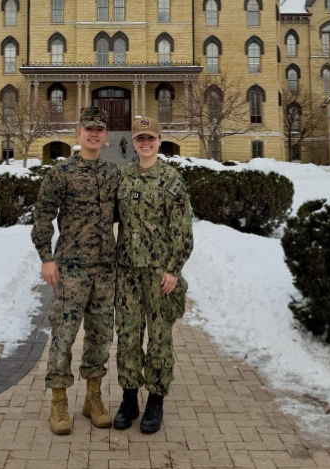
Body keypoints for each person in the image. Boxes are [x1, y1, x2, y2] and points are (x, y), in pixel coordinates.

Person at [31, 106, 119, 435]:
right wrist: (46, 257)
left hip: (105, 270)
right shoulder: (61, 173)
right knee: (64, 337)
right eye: (88, 129)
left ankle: (93, 399)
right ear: (78, 134)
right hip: (70, 269)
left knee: (100, 337)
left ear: (105, 136)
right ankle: (58, 402)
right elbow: (42, 216)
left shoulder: (113, 174)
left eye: (99, 129)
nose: (94, 134)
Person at [113, 116, 193, 434]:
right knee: (129, 337)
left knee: (159, 340)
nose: (145, 143)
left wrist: (173, 270)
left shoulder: (171, 180)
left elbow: (183, 231)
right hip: (128, 273)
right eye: (140, 138)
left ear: (160, 140)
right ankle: (129, 398)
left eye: (150, 138)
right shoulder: (123, 177)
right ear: (133, 143)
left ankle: (155, 401)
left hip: (160, 275)